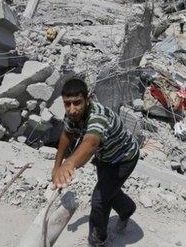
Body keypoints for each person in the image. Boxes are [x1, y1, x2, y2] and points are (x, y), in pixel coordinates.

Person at [52, 79, 140, 246]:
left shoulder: (98, 116)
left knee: (99, 200)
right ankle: (127, 209)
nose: (72, 109)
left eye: (77, 103)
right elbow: (66, 135)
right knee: (107, 191)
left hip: (124, 158)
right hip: (105, 157)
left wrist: (69, 164)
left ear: (88, 98)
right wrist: (57, 166)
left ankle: (97, 241)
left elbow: (90, 143)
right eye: (67, 104)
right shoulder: (72, 115)